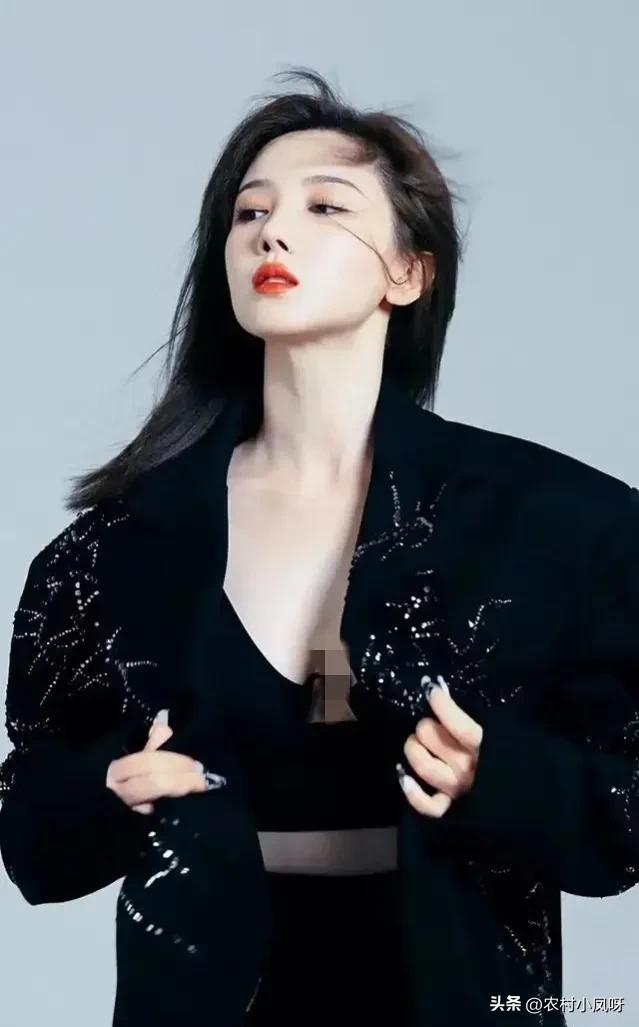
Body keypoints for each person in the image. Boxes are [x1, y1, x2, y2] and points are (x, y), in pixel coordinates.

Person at [1, 67, 637, 1027]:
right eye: (248, 212)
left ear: (408, 271)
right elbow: (30, 832)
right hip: (206, 993)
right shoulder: (113, 550)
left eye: (325, 205)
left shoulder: (554, 520)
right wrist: (108, 786)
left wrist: (498, 775)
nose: (272, 233)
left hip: (452, 989)